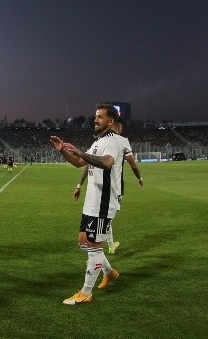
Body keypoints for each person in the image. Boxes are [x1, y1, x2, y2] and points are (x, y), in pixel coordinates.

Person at [50, 103, 124, 305]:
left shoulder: (112, 141)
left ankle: (86, 293)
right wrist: (62, 151)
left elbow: (106, 163)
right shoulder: (99, 141)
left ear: (110, 121)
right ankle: (109, 272)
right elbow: (78, 163)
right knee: (84, 242)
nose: (95, 120)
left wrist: (81, 153)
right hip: (92, 201)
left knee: (94, 246)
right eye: (95, 116)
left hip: (103, 203)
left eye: (100, 117)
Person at [73, 117, 142, 254]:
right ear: (115, 125)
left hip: (104, 191)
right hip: (112, 190)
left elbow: (88, 163)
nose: (121, 130)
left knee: (103, 220)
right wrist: (139, 177)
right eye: (121, 127)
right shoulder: (121, 141)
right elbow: (133, 164)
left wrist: (79, 185)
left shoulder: (105, 141)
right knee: (105, 219)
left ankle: (104, 251)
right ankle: (105, 249)